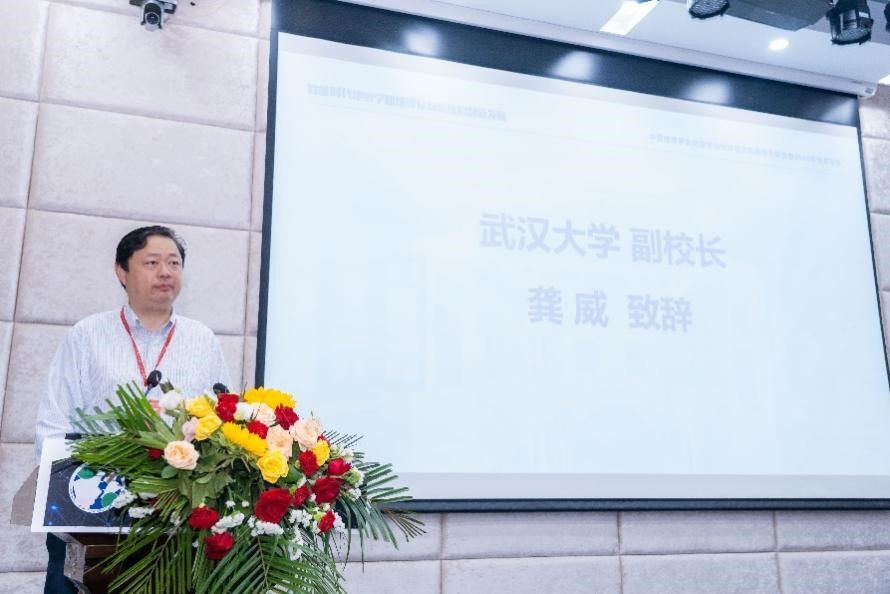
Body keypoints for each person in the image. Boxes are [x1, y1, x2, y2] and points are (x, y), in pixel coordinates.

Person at [34, 225, 231, 594]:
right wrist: (73, 495)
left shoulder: (202, 339)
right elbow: (53, 425)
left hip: (173, 521)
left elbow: (222, 421)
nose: (165, 272)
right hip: (92, 513)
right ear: (121, 272)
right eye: (152, 262)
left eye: (174, 263)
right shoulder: (87, 335)